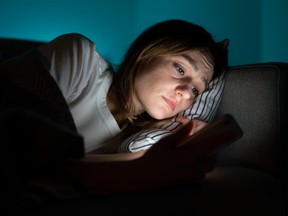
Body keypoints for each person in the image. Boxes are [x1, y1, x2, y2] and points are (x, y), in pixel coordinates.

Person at [0, 19, 228, 205]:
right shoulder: (81, 59)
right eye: (180, 69)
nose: (186, 94)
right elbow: (18, 137)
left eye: (197, 90)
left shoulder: (134, 142)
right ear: (147, 52)